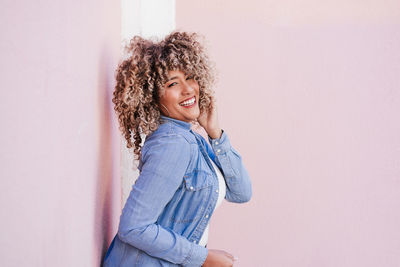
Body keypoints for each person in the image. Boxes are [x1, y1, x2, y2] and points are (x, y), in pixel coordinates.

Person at [103, 31, 252, 267]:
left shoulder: (195, 141)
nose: (188, 89)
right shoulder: (173, 143)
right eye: (173, 83)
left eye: (190, 77)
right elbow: (133, 227)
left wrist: (215, 133)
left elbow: (241, 192)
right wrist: (203, 258)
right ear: (152, 96)